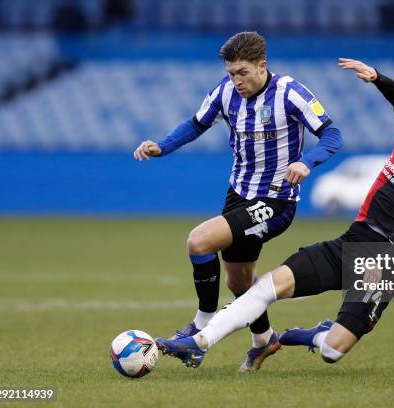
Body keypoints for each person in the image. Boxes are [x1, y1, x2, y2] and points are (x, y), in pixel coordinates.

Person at [154, 59, 394, 368]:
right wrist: (377, 77)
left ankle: (313, 335)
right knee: (267, 287)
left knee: (332, 351)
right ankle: (199, 342)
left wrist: (385, 263)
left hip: (383, 259)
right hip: (352, 240)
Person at [132, 31, 342, 371]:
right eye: (231, 73)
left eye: (242, 72)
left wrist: (307, 161)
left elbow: (332, 134)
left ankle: (200, 325)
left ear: (262, 65)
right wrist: (163, 145)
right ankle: (265, 340)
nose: (236, 80)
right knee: (239, 281)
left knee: (199, 241)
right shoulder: (225, 92)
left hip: (276, 200)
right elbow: (196, 124)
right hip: (238, 195)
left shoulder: (290, 92)